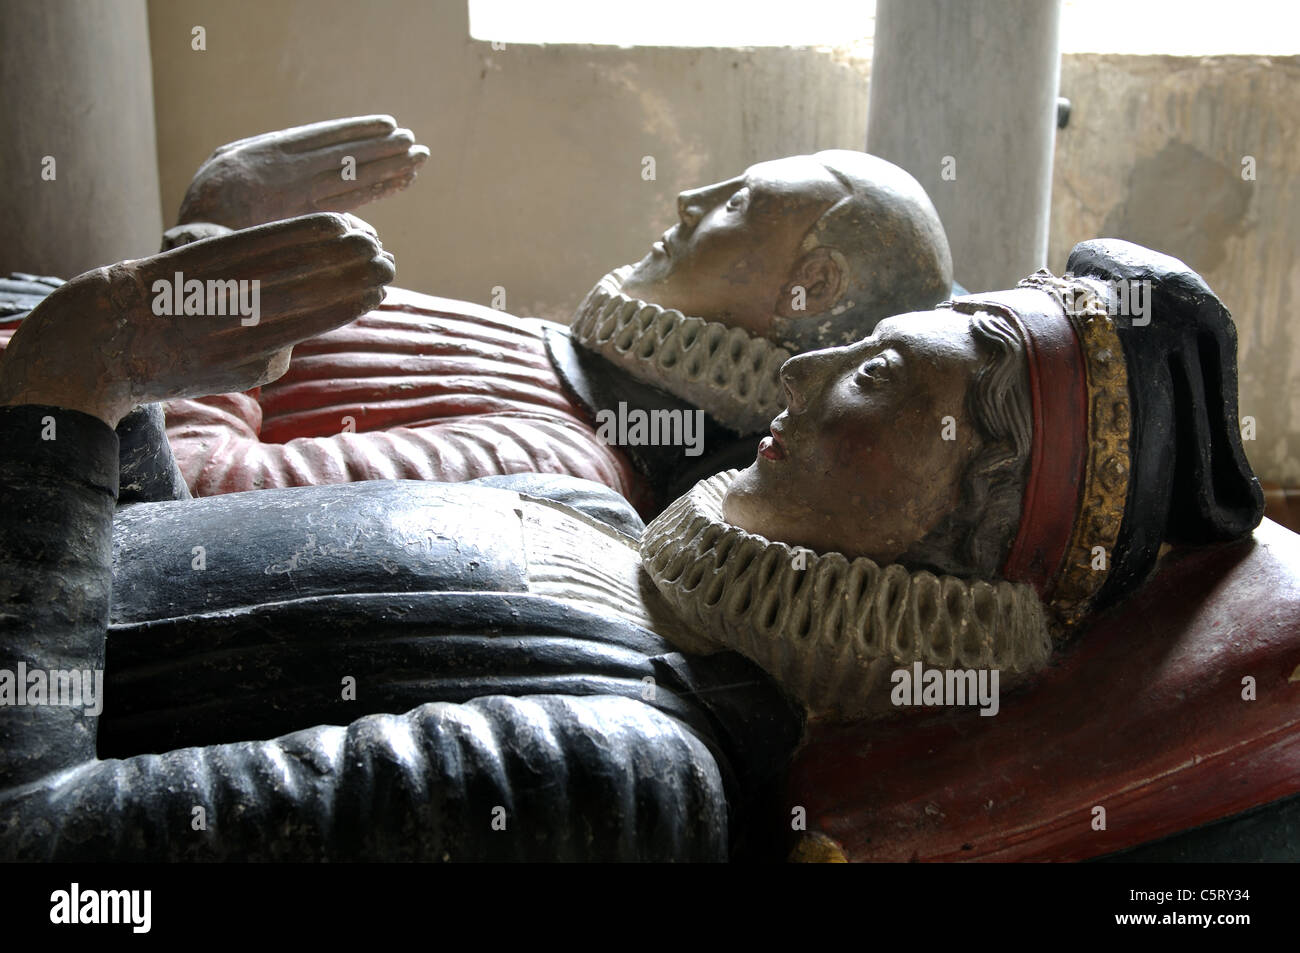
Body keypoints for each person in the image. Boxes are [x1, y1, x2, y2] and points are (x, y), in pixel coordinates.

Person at [0, 216, 1277, 861]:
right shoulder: (591, 520)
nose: (805, 369)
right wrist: (131, 403)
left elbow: (49, 856)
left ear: (957, 558)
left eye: (884, 375)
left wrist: (70, 385)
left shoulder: (623, 775)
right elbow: (137, 562)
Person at [13, 116, 953, 514]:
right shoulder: (569, 367)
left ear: (812, 291)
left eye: (741, 205)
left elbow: (185, 514)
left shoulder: (564, 455)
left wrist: (210, 237)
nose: (687, 201)